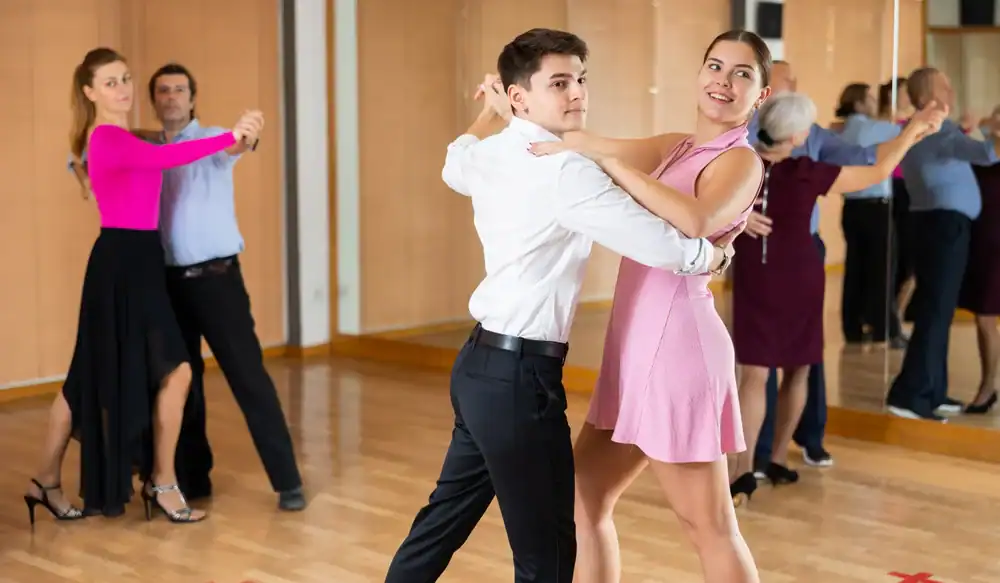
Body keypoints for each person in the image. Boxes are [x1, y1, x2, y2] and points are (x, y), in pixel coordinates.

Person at [382, 28, 732, 583]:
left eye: (581, 80)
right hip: (521, 381)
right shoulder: (566, 170)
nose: (577, 94)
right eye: (560, 83)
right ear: (520, 96)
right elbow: (659, 244)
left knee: (438, 527)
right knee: (546, 560)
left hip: (478, 370)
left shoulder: (495, 150)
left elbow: (456, 161)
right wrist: (710, 257)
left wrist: (490, 116)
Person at [529, 29, 768, 583]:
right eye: (715, 66)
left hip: (678, 346)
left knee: (708, 527)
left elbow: (699, 221)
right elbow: (585, 141)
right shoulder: (676, 145)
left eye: (742, 74)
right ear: (699, 74)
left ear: (761, 95)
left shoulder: (740, 161)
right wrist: (510, 104)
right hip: (636, 344)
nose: (723, 82)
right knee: (582, 500)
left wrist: (615, 170)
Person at [23, 47, 261, 524]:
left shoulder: (116, 137)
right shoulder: (108, 137)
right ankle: (162, 482)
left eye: (126, 78)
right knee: (173, 371)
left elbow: (154, 153)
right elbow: (170, 155)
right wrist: (231, 137)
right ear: (89, 92)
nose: (124, 88)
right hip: (122, 264)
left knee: (86, 382)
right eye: (111, 82)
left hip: (137, 261)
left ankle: (47, 481)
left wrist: (236, 142)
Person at [729, 92, 946, 502]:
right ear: (794, 136)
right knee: (799, 369)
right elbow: (879, 167)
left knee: (754, 375)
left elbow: (701, 198)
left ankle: (742, 473)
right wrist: (913, 130)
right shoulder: (807, 171)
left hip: (755, 277)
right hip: (799, 276)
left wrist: (736, 219)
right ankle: (774, 459)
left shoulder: (740, 165)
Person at [144, 63, 306, 511]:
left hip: (218, 283)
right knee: (183, 384)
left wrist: (249, 132)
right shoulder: (150, 148)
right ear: (154, 100)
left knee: (248, 378)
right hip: (169, 286)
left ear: (192, 98)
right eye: (163, 90)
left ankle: (288, 481)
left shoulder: (212, 139)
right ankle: (194, 481)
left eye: (180, 89)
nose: (172, 96)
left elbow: (240, 143)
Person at [746, 60, 877, 472]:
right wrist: (735, 216)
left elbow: (864, 159)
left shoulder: (803, 160)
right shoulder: (743, 150)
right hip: (767, 266)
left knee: (798, 365)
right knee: (761, 370)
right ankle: (748, 465)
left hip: (802, 260)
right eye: (786, 82)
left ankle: (776, 456)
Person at [887, 68, 1000, 421]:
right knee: (935, 312)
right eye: (945, 85)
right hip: (942, 225)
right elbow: (987, 154)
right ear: (928, 94)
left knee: (940, 311)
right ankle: (910, 394)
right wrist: (993, 128)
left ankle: (933, 390)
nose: (951, 91)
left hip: (939, 224)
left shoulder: (925, 128)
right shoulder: (936, 126)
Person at [834, 83, 905, 345]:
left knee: (855, 268)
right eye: (871, 98)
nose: (875, 103)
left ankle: (852, 328)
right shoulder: (871, 128)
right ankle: (883, 327)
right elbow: (906, 132)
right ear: (860, 103)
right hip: (876, 207)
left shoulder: (842, 130)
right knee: (882, 269)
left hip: (851, 207)